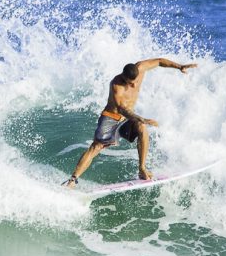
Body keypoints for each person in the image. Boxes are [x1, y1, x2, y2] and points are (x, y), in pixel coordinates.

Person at [63, 58, 197, 188]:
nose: (134, 85)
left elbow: (159, 61)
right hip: (111, 117)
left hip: (126, 119)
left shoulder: (140, 68)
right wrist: (140, 118)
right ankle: (73, 180)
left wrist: (179, 66)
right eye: (130, 83)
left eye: (135, 81)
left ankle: (142, 169)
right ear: (123, 77)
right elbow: (122, 108)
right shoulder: (116, 85)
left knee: (142, 128)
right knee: (96, 147)